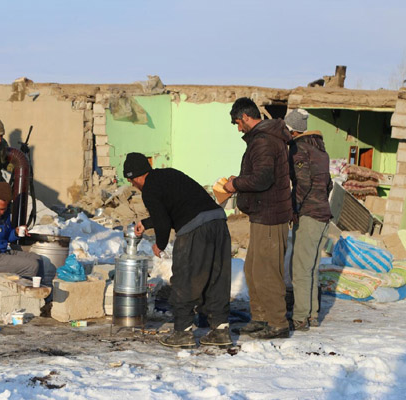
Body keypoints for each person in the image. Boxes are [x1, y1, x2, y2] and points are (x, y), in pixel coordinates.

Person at [124, 152, 232, 348]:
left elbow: (164, 223)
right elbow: (176, 208)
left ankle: (182, 332)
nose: (133, 185)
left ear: (137, 176)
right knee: (217, 278)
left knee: (185, 278)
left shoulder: (150, 189)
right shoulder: (170, 174)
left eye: (131, 180)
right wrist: (147, 223)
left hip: (195, 230)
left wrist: (160, 244)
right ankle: (221, 330)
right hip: (218, 221)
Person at [223, 97, 293, 339]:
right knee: (252, 269)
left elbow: (262, 179)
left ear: (244, 117)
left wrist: (235, 184)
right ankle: (261, 317)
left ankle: (277, 323)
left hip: (271, 217)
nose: (238, 128)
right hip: (262, 215)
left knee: (267, 272)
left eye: (237, 123)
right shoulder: (263, 139)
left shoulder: (263, 141)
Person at [285, 109, 332, 331]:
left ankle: (300, 317)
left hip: (309, 214)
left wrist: (295, 209)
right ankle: (312, 315)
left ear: (292, 130)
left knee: (301, 269)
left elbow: (302, 183)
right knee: (312, 267)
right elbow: (329, 184)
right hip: (324, 214)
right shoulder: (320, 150)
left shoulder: (298, 148)